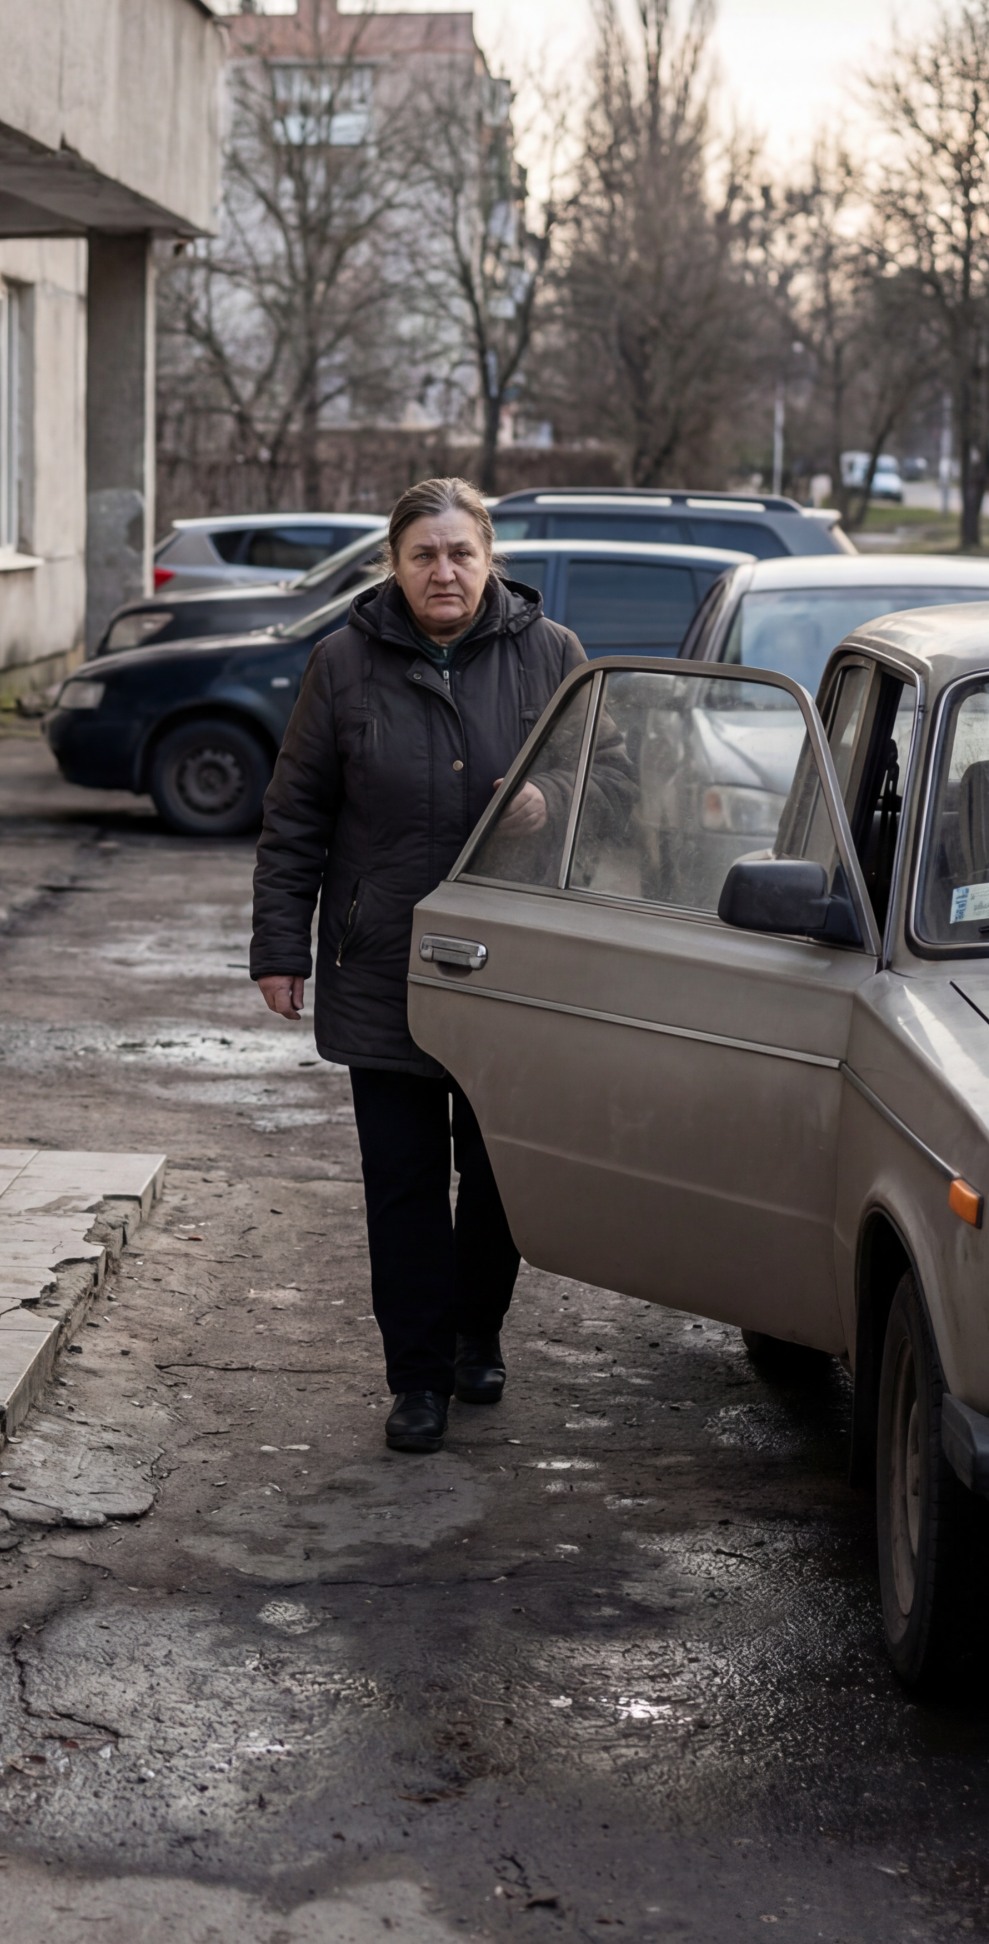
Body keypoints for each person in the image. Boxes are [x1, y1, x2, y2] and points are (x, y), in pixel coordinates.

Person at [249, 475, 591, 1455]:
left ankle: (477, 1328)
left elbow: (610, 777)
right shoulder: (344, 664)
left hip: (509, 968)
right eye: (422, 555)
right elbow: (296, 814)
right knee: (401, 1185)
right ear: (393, 567)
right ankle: (417, 1377)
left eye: (460, 553)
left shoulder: (552, 658)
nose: (443, 571)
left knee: (494, 1178)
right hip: (382, 965)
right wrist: (279, 946)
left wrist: (548, 799)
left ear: (491, 560)